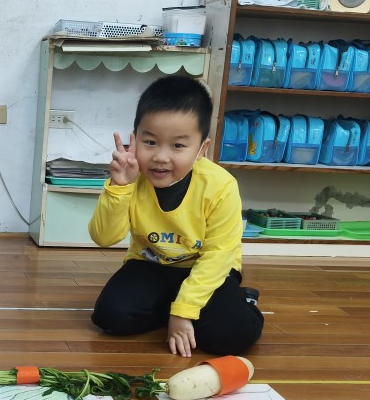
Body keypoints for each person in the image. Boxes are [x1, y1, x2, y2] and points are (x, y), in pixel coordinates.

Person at [88, 75, 263, 357]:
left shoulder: (221, 186)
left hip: (206, 268)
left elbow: (219, 255)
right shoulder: (131, 177)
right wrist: (120, 188)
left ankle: (243, 301)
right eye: (150, 142)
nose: (161, 156)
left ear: (202, 149)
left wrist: (183, 312)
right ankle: (176, 306)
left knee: (231, 335)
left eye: (178, 146)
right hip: (151, 264)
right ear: (135, 138)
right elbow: (104, 237)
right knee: (111, 317)